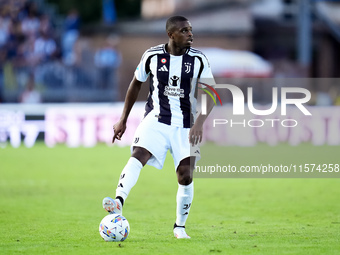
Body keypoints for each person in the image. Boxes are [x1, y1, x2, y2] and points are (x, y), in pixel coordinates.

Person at [102, 16, 215, 239]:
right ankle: (119, 201)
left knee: (185, 176)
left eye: (191, 30)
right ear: (171, 35)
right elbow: (136, 83)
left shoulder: (199, 59)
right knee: (138, 155)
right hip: (156, 119)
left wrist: (199, 123)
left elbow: (211, 94)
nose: (190, 34)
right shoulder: (152, 56)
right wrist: (123, 118)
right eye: (184, 31)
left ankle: (179, 227)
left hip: (185, 125)